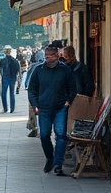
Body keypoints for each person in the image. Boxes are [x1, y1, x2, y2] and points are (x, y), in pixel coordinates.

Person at [27, 45, 77, 176]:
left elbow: (72, 87)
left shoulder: (64, 70)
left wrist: (68, 101)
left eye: (50, 56)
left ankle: (58, 164)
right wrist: (34, 104)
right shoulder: (39, 70)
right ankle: (50, 158)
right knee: (44, 135)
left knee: (60, 135)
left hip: (60, 107)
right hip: (43, 108)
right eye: (46, 56)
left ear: (57, 56)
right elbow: (32, 89)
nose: (47, 58)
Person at [0, 45, 21, 113]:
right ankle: (12, 108)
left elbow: (0, 70)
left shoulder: (2, 61)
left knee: (4, 93)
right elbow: (18, 70)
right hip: (12, 78)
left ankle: (5, 108)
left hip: (5, 78)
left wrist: (2, 75)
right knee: (12, 93)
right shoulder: (15, 61)